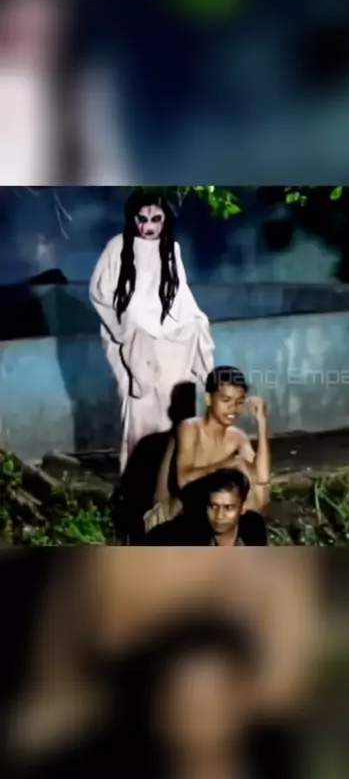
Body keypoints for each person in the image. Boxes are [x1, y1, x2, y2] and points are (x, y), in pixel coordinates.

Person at [89, 188, 214, 473]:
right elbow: (100, 292)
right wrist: (129, 325)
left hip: (169, 339)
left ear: (165, 220)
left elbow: (181, 296)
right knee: (141, 410)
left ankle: (175, 475)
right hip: (134, 342)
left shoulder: (171, 249)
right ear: (133, 218)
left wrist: (196, 321)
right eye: (142, 219)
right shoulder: (117, 247)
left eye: (156, 219)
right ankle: (138, 479)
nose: (148, 226)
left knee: (175, 405)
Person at [144, 366, 271, 531]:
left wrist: (262, 422)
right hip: (170, 514)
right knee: (233, 479)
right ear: (208, 399)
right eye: (226, 400)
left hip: (209, 510)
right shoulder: (190, 428)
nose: (233, 408)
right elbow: (183, 481)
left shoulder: (238, 437)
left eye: (239, 402)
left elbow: (262, 480)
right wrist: (228, 464)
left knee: (258, 490)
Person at [144, 468, 268, 546]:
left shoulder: (253, 526)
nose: (219, 515)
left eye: (228, 507)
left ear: (243, 507)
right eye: (213, 506)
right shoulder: (191, 531)